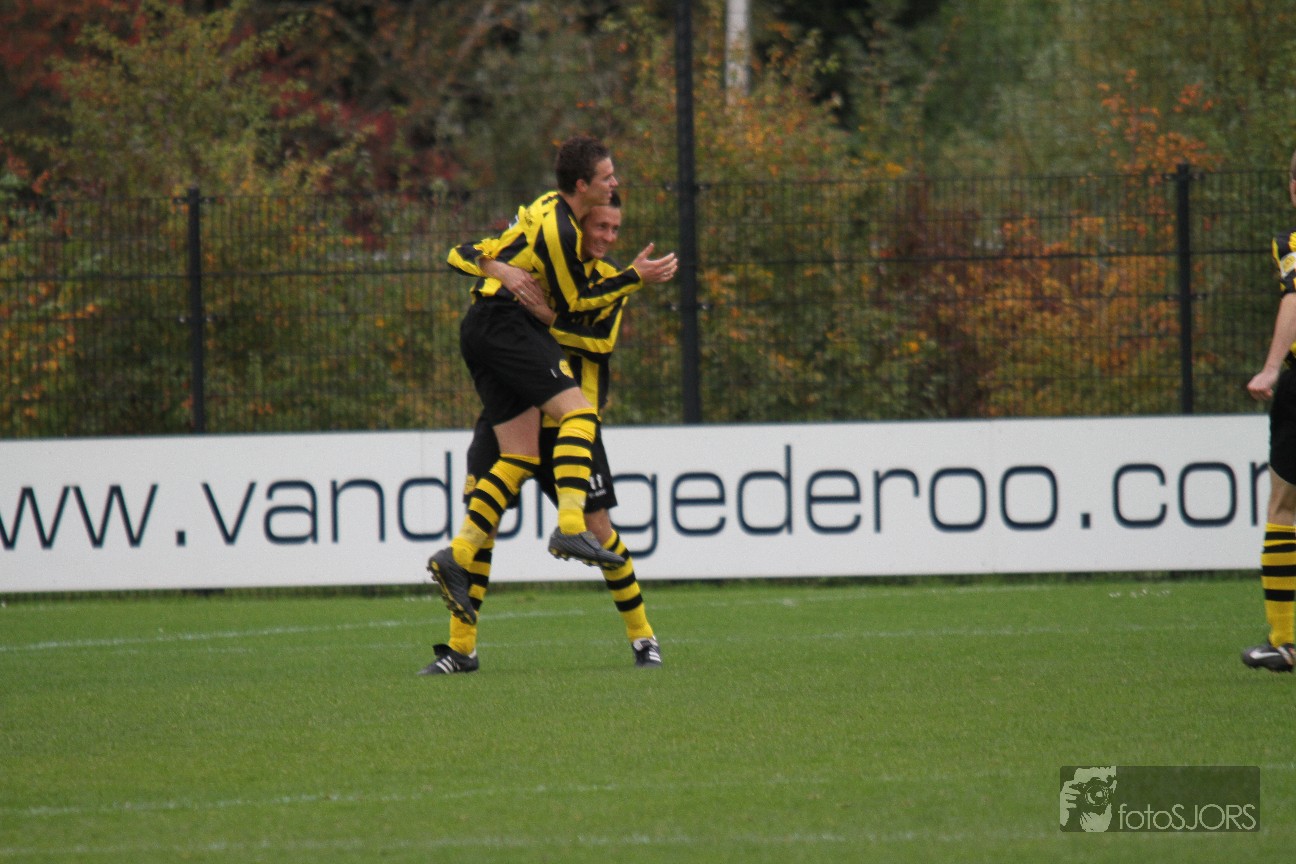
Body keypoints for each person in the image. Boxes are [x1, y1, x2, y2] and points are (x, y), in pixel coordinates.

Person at [426, 135, 677, 629]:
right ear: (582, 188)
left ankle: (456, 556)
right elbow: (574, 302)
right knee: (579, 413)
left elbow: (585, 327)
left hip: (488, 329)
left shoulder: (545, 209)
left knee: (519, 456)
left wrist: (499, 269)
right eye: (607, 178)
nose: (614, 183)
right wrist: (633, 278)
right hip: (504, 328)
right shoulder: (562, 234)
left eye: (615, 228)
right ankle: (567, 528)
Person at [1241, 147, 1296, 673]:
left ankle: (1286, 641)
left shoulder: (1294, 242)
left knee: (1285, 508)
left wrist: (1272, 367)